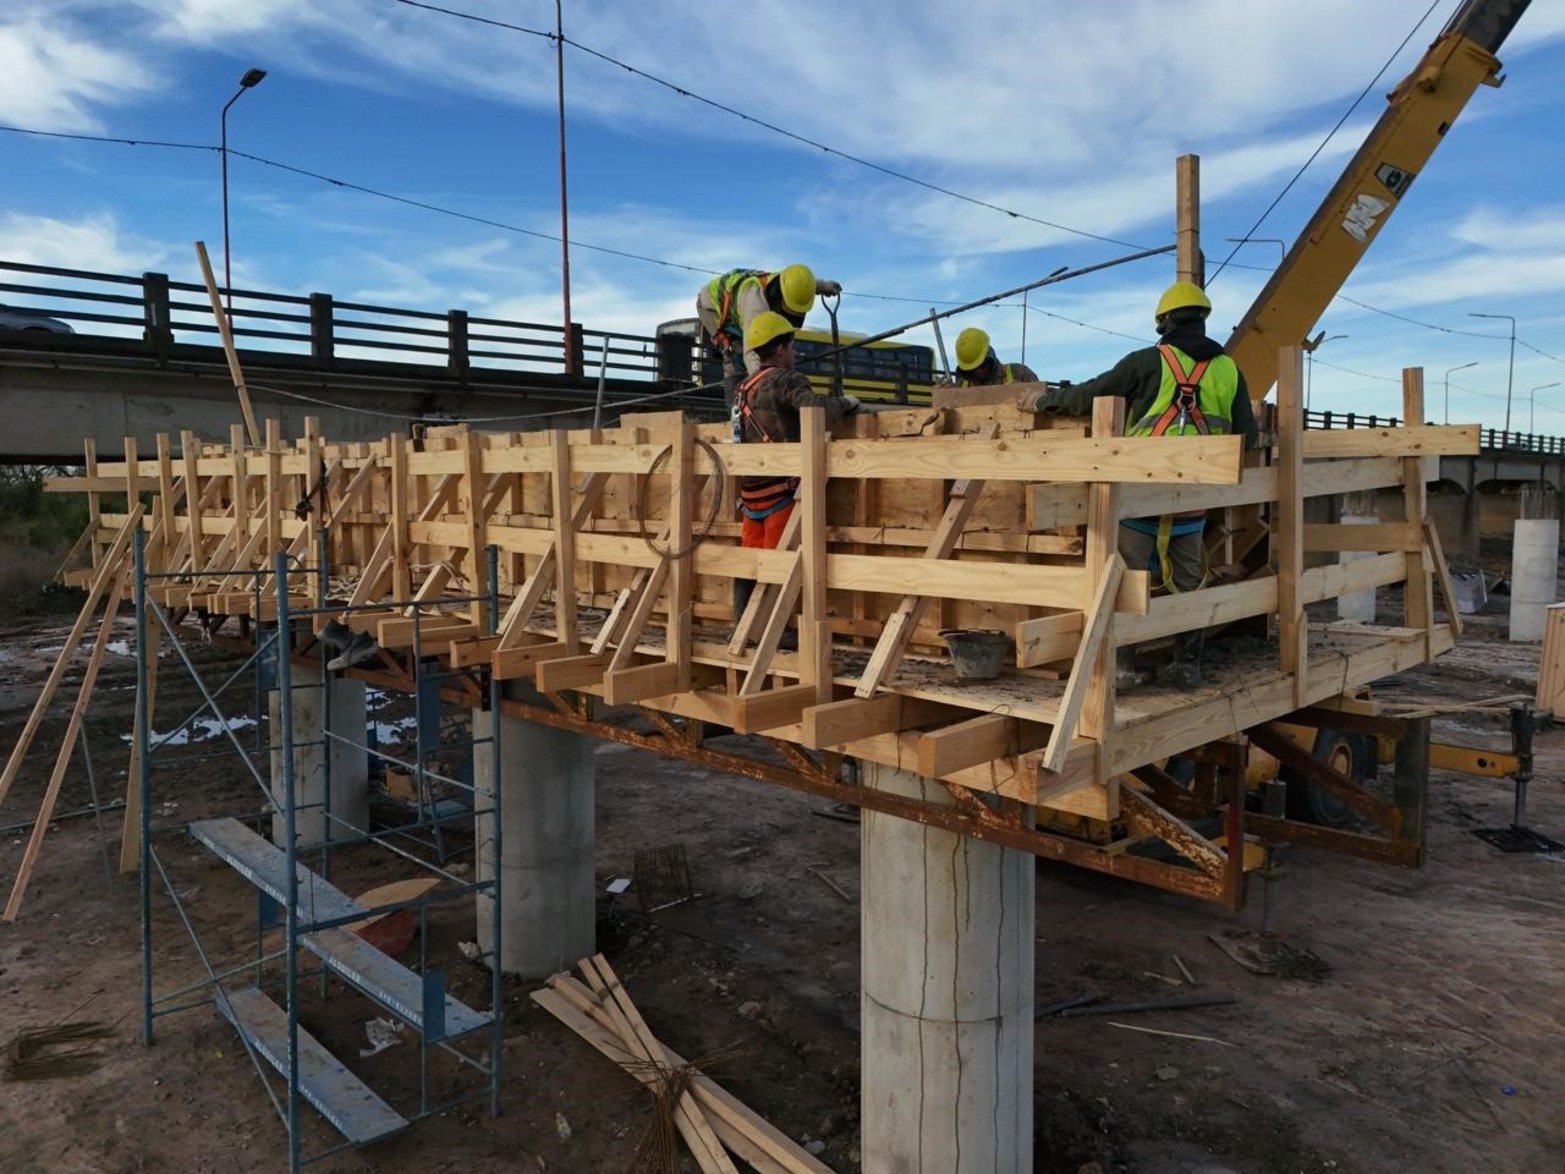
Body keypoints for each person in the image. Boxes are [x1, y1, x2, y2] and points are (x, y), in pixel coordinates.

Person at [1017, 280, 1257, 691]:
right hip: (1195, 499)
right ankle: (1187, 666)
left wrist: (1041, 402)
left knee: (1128, 574)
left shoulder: (1146, 363)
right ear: (1203, 321)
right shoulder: (1229, 370)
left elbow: (1088, 396)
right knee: (1189, 580)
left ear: (1164, 322)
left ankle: (1124, 668)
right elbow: (1247, 437)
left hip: (1140, 494)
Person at [731, 310, 860, 627]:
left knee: (751, 560)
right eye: (791, 346)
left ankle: (742, 625)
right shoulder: (788, 380)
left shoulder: (743, 387)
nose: (795, 352)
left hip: (751, 493)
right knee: (781, 562)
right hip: (781, 491)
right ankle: (774, 632)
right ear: (778, 349)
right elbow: (815, 409)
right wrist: (846, 403)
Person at [695, 265, 842, 401]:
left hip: (738, 302)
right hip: (710, 306)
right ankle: (737, 411)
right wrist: (764, 389)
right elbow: (751, 351)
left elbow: (805, 283)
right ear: (780, 297)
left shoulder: (788, 281)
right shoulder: (756, 304)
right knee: (735, 355)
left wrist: (823, 286)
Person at [952, 326, 1039, 387]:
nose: (978, 371)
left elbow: (1045, 403)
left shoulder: (1019, 374)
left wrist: (1024, 390)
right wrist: (941, 396)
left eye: (982, 365)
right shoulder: (960, 387)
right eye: (972, 369)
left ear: (989, 354)